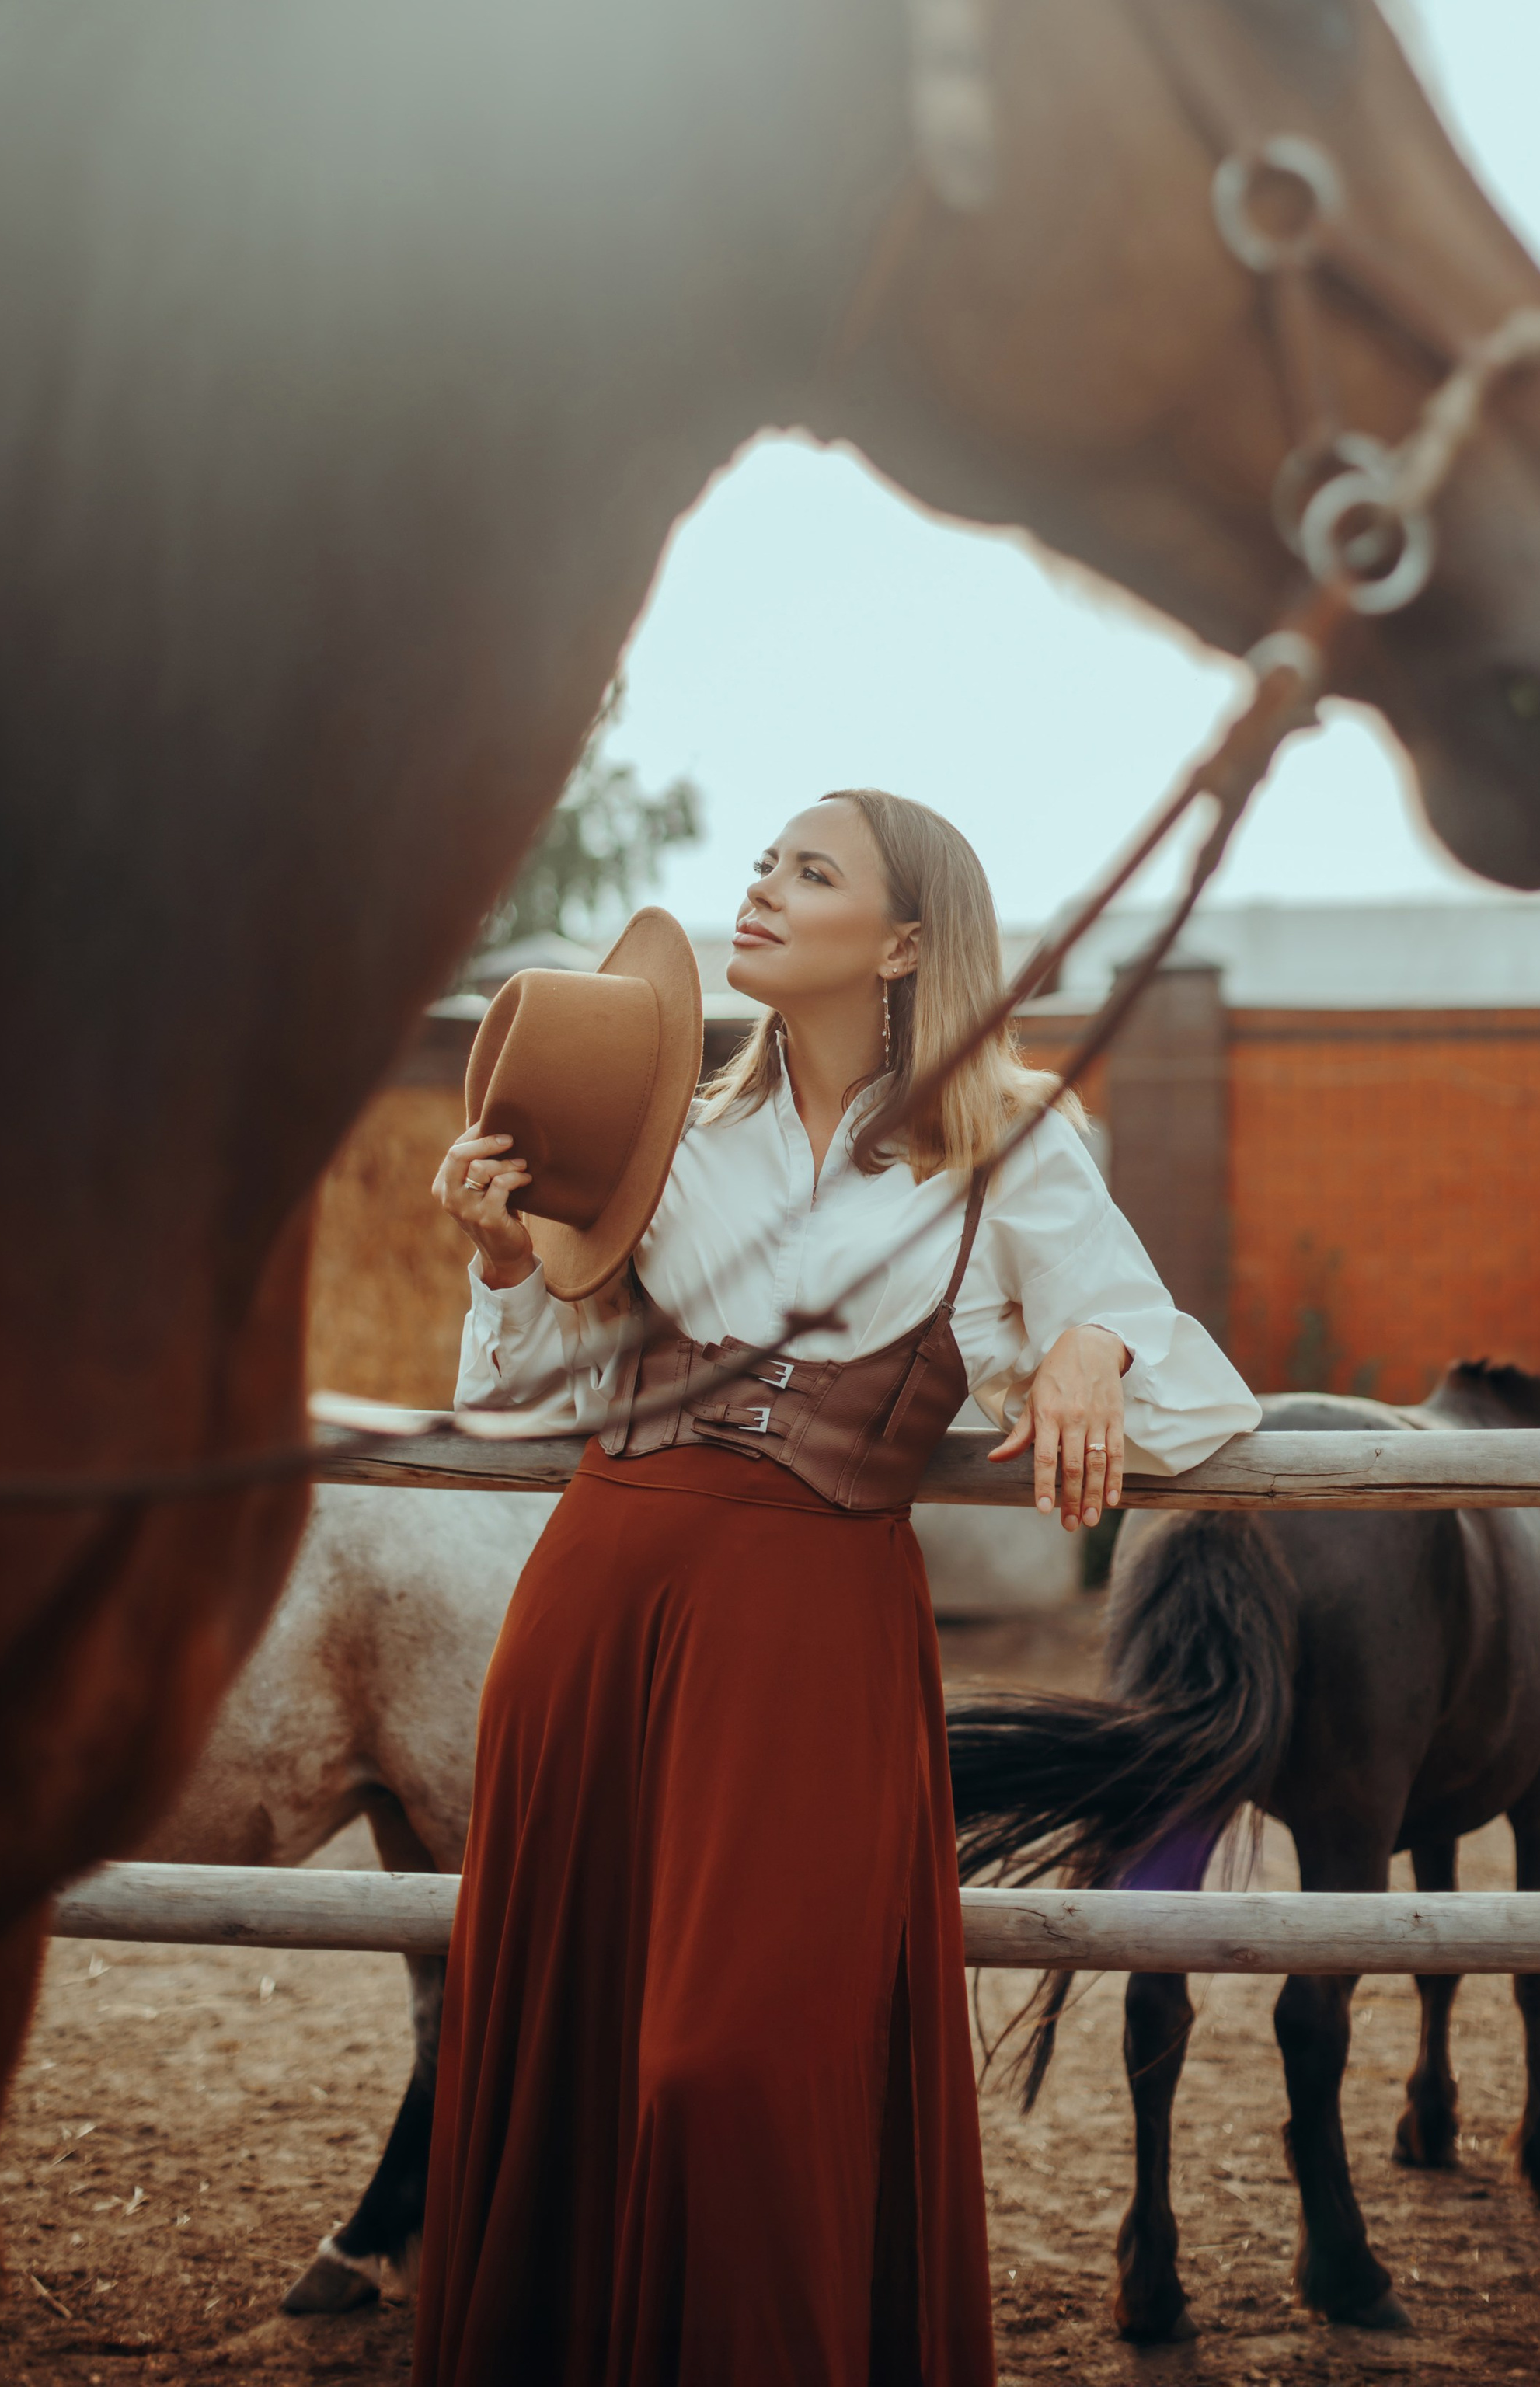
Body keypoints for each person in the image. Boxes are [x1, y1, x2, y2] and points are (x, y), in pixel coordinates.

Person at [413, 789, 1259, 2387]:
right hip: (600, 1621)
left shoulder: (1010, 1135)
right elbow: (520, 1399)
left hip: (811, 1661)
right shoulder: (667, 1127)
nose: (760, 888)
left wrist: (1087, 1341)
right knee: (579, 2066)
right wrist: (504, 1262)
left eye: (809, 872)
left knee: (726, 2069)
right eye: (760, 864)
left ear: (902, 943)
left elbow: (1186, 1390)